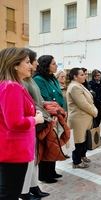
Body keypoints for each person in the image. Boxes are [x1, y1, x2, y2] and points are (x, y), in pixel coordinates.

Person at [0, 47, 44, 200]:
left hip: (13, 150)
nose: (31, 66)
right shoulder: (11, 87)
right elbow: (14, 122)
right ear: (14, 65)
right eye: (27, 62)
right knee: (9, 194)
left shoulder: (12, 86)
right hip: (14, 152)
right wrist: (35, 119)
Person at [21, 49, 50, 199]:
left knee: (34, 157)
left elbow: (36, 99)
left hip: (37, 119)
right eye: (32, 61)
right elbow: (28, 105)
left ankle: (34, 186)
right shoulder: (20, 82)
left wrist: (45, 104)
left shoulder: (30, 79)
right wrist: (38, 116)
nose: (36, 64)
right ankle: (25, 191)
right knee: (29, 159)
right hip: (32, 122)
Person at [33, 55, 64, 183]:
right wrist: (53, 114)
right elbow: (44, 98)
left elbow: (58, 95)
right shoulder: (39, 79)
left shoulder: (52, 78)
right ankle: (44, 175)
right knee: (47, 145)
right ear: (46, 65)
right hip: (48, 116)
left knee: (54, 144)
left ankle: (52, 170)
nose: (56, 65)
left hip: (57, 115)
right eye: (53, 63)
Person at [66, 68, 98, 168]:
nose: (84, 76)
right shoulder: (74, 87)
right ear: (75, 77)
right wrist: (94, 111)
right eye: (82, 75)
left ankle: (82, 156)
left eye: (84, 74)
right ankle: (76, 162)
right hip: (78, 119)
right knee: (78, 141)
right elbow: (83, 104)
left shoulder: (79, 85)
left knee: (84, 139)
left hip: (84, 118)